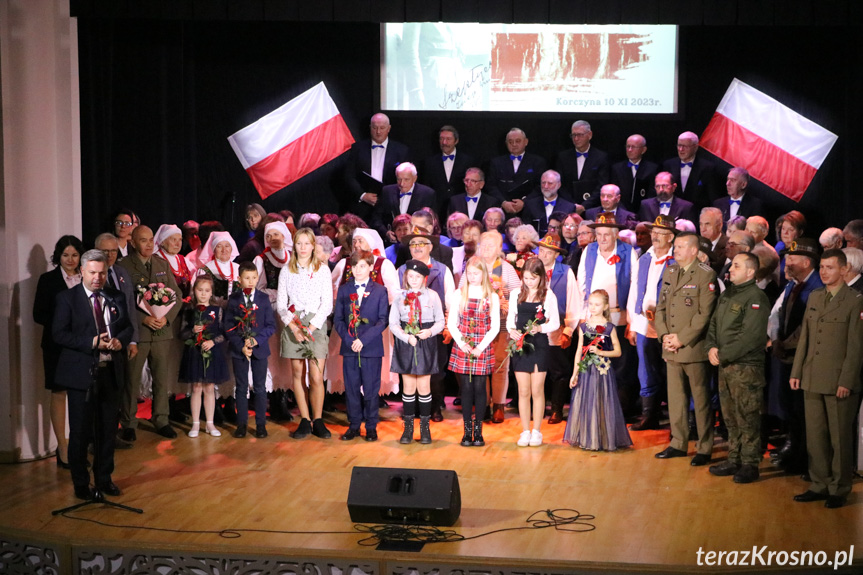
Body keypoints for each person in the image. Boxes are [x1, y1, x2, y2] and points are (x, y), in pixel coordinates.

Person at [52, 249, 133, 500]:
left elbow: (127, 327)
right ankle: (80, 483)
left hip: (110, 371)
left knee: (108, 430)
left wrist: (120, 340)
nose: (98, 278)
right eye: (93, 273)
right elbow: (59, 334)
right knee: (80, 431)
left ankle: (104, 478)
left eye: (102, 273)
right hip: (81, 374)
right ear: (82, 272)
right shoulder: (67, 299)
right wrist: (92, 342)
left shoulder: (116, 296)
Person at [790, 249, 863, 509]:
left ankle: (839, 488)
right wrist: (797, 371)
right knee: (816, 436)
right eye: (821, 267)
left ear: (844, 270)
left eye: (830, 267)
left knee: (839, 438)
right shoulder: (815, 297)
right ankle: (819, 484)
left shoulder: (855, 301)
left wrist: (846, 380)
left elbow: (856, 347)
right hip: (812, 376)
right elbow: (806, 339)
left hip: (838, 381)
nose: (823, 272)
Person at [654, 232, 718, 466]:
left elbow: (704, 314)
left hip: (692, 348)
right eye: (676, 246)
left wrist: (681, 338)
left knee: (700, 400)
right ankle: (678, 443)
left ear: (693, 250)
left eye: (681, 246)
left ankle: (705, 446)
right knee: (676, 399)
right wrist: (664, 336)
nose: (675, 250)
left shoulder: (705, 274)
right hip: (670, 347)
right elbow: (660, 307)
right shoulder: (670, 271)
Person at [706, 252, 770, 483]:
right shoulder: (729, 294)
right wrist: (711, 347)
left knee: (747, 417)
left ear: (750, 272)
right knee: (730, 416)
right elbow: (714, 323)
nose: (730, 269)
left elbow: (750, 337)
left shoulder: (756, 297)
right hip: (725, 365)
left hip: (745, 368)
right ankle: (734, 458)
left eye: (736, 266)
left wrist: (722, 354)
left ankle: (750, 463)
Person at [118, 225, 182, 441]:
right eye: (142, 240)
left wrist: (166, 318)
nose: (148, 244)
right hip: (138, 333)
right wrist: (143, 318)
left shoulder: (162, 264)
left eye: (150, 240)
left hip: (161, 332)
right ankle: (128, 422)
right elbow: (120, 303)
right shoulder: (124, 266)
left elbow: (177, 296)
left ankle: (161, 419)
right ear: (133, 243)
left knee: (162, 379)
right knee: (132, 379)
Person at [576, 212, 638, 415]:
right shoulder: (589, 251)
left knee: (620, 366)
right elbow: (581, 283)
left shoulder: (628, 252)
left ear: (615, 235)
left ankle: (620, 412)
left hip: (618, 317)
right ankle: (596, 411)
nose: (602, 239)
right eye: (599, 234)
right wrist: (583, 316)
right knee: (595, 364)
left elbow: (634, 287)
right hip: (593, 319)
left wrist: (631, 321)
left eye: (606, 235)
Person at [276, 227, 333, 440]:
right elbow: (281, 305)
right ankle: (304, 419)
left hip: (315, 324)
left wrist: (311, 327)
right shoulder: (286, 270)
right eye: (299, 243)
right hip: (294, 323)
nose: (303, 248)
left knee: (316, 376)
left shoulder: (322, 270)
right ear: (294, 245)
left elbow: (327, 304)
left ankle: (318, 419)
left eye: (306, 244)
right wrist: (294, 327)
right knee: (298, 374)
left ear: (312, 246)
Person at [33, 235, 85, 468]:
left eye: (74, 255)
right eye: (66, 255)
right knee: (59, 392)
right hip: (57, 345)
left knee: (80, 395)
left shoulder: (88, 277)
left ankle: (78, 445)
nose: (70, 259)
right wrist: (64, 323)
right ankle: (62, 447)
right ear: (58, 256)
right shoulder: (47, 280)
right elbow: (38, 314)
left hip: (83, 346)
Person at [397, 226, 455, 420]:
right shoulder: (401, 271)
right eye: (413, 244)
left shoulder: (442, 269)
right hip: (408, 329)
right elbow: (395, 301)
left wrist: (447, 326)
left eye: (421, 243)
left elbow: (450, 300)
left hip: (433, 328)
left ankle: (435, 407)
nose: (417, 247)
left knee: (436, 369)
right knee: (410, 368)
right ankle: (411, 409)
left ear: (430, 247)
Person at [626, 215, 677, 430]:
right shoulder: (643, 258)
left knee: (670, 371)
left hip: (668, 325)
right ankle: (650, 415)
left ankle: (677, 419)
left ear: (671, 237)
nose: (655, 236)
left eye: (660, 233)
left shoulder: (676, 261)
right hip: (644, 323)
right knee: (646, 370)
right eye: (653, 232)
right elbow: (635, 289)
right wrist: (632, 322)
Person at [565, 289, 632, 451]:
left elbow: (618, 351)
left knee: (601, 402)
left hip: (602, 372)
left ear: (605, 306)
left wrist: (601, 352)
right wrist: (574, 373)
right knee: (587, 403)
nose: (593, 308)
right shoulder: (584, 327)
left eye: (597, 304)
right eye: (590, 304)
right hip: (586, 372)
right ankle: (588, 437)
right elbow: (579, 350)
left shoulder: (609, 328)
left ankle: (602, 437)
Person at [333, 250, 390, 441]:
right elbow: (339, 320)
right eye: (355, 266)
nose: (358, 270)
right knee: (351, 388)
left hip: (371, 348)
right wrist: (349, 341)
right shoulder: (344, 290)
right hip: (350, 347)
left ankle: (371, 426)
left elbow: (382, 321)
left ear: (371, 268)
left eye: (363, 266)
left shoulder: (380, 291)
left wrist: (363, 340)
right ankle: (354, 425)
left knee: (372, 389)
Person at [390, 260, 445, 444]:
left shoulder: (433, 296)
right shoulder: (399, 297)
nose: (414, 280)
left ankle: (425, 429)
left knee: (423, 387)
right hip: (406, 342)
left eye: (418, 277)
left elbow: (440, 322)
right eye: (411, 276)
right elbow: (393, 324)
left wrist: (429, 332)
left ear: (424, 278)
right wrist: (406, 338)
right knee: (408, 387)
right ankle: (408, 429)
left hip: (425, 342)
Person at [447, 257, 501, 446]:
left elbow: (495, 326)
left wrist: (480, 347)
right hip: (464, 345)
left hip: (481, 346)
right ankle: (467, 431)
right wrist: (462, 343)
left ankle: (478, 431)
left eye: (476, 273)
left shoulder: (491, 296)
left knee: (480, 388)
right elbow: (452, 323)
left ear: (483, 274)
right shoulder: (459, 293)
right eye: (469, 273)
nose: (472, 276)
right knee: (466, 389)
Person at [507, 258, 560, 447]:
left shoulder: (548, 295)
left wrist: (541, 329)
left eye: (532, 278)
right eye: (526, 278)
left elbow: (555, 322)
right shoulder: (516, 294)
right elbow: (511, 319)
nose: (528, 282)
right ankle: (525, 431)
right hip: (521, 345)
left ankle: (537, 431)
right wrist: (512, 331)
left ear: (540, 277)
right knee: (523, 390)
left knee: (537, 389)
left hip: (539, 345)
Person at [469, 231, 521, 423]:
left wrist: (502, 301)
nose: (487, 249)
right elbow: (463, 291)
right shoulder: (473, 267)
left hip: (501, 324)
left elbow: (517, 295)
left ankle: (498, 406)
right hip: (477, 326)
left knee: (499, 365)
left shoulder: (506, 269)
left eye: (492, 245)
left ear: (499, 249)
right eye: (484, 245)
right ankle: (482, 405)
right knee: (480, 366)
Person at [224, 262, 276, 439]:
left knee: (260, 388)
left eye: (254, 277)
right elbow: (228, 326)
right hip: (240, 350)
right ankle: (242, 424)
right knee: (241, 387)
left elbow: (270, 326)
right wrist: (241, 345)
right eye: (247, 278)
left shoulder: (263, 298)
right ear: (239, 279)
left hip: (259, 349)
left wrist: (255, 340)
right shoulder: (234, 299)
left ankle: (261, 424)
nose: (251, 281)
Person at [535, 233, 582, 423]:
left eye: (548, 252)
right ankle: (538, 406)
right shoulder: (532, 269)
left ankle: (557, 408)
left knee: (558, 370)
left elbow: (573, 302)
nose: (544, 255)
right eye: (542, 250)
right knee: (538, 368)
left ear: (556, 255)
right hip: (535, 329)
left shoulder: (565, 272)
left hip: (557, 328)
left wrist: (569, 329)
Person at [178, 276, 228, 438]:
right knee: (196, 388)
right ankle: (195, 424)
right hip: (194, 353)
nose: (203, 294)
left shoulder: (217, 310)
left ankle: (210, 423)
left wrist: (213, 342)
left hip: (211, 353)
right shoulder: (189, 310)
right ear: (194, 291)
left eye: (207, 291)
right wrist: (193, 331)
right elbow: (182, 333)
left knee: (209, 388)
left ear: (212, 292)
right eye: (200, 290)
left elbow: (223, 333)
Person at [344, 112, 411, 221]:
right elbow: (349, 176)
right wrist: (362, 195)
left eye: (382, 128)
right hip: (362, 207)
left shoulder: (401, 151)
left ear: (389, 128)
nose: (378, 132)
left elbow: (407, 179)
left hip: (389, 206)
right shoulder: (358, 149)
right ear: (370, 128)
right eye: (375, 128)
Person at [486, 128, 547, 216]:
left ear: (526, 142)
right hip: (503, 211)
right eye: (510, 142)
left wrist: (524, 201)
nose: (514, 144)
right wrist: (503, 202)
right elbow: (491, 186)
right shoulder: (496, 162)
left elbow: (541, 186)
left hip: (529, 210)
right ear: (506, 143)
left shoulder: (538, 162)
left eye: (518, 141)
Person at [372, 162, 436, 240]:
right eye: (399, 179)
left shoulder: (427, 194)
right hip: (392, 243)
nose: (402, 184)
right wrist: (386, 232)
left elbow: (431, 222)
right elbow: (376, 218)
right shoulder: (387, 191)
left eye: (406, 179)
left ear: (415, 178)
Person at [422, 125, 476, 217]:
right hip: (437, 210)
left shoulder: (468, 161)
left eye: (448, 139)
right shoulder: (429, 162)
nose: (444, 142)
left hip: (460, 209)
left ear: (456, 141)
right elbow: (426, 187)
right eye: (441, 139)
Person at [554, 120, 610, 208]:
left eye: (580, 135)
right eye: (574, 135)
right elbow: (560, 184)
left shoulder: (601, 157)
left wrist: (584, 206)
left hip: (593, 208)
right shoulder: (563, 157)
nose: (576, 139)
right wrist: (572, 205)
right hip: (568, 207)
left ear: (590, 135)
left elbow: (601, 186)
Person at [661, 131, 719, 211]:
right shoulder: (668, 165)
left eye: (685, 146)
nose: (681, 149)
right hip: (672, 215)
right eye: (679, 145)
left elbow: (712, 197)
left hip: (697, 216)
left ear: (695, 147)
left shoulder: (708, 168)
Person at [610, 134, 658, 213]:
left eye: (633, 147)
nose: (629, 150)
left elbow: (652, 194)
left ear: (643, 150)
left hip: (644, 211)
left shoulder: (652, 169)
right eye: (628, 146)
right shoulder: (617, 168)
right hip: (622, 211)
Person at [521, 170, 577, 237]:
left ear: (559, 185)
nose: (546, 186)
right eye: (543, 183)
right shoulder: (530, 205)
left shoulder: (569, 207)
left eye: (550, 183)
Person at [199, 232, 241, 303]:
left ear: (232, 248)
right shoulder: (205, 270)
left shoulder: (239, 268)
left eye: (227, 246)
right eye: (219, 246)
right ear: (214, 249)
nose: (224, 250)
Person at [699, 207, 727, 275]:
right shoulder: (696, 245)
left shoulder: (728, 246)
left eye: (707, 224)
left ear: (719, 226)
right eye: (701, 224)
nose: (703, 229)